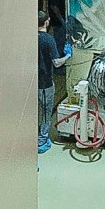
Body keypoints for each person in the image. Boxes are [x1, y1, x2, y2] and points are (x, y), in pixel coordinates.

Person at [37, 10, 68, 154]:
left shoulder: (29, 37)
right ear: (47, 22)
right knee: (45, 112)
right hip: (45, 84)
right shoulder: (48, 39)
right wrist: (67, 56)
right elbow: (56, 63)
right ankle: (41, 139)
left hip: (32, 82)